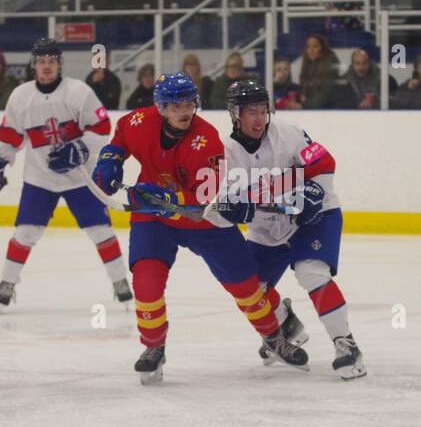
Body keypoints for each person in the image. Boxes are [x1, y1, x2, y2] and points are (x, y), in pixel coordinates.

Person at [90, 72, 308, 383]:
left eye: (190, 103)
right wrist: (109, 161)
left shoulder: (207, 142)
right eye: (176, 105)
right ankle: (154, 347)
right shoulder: (136, 122)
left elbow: (199, 206)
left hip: (204, 220)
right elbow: (119, 141)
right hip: (153, 219)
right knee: (146, 283)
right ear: (161, 107)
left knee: (246, 286)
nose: (184, 111)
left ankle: (273, 336)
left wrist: (165, 197)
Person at [217, 79, 365, 379]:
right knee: (249, 286)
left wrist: (314, 191)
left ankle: (345, 344)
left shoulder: (289, 133)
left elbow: (323, 162)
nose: (259, 119)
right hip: (266, 229)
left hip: (313, 217)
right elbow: (221, 202)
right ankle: (287, 325)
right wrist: (234, 208)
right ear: (235, 114)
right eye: (251, 112)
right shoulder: (225, 153)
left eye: (262, 110)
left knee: (311, 271)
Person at [0, 38, 130, 311]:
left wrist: (79, 148)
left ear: (59, 64)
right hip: (39, 179)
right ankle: (7, 283)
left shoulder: (79, 92)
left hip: (81, 178)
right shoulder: (21, 96)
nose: (46, 67)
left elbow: (101, 127)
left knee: (101, 231)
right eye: (41, 62)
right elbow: (10, 134)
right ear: (34, 66)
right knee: (25, 232)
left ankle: (120, 282)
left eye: (51, 61)